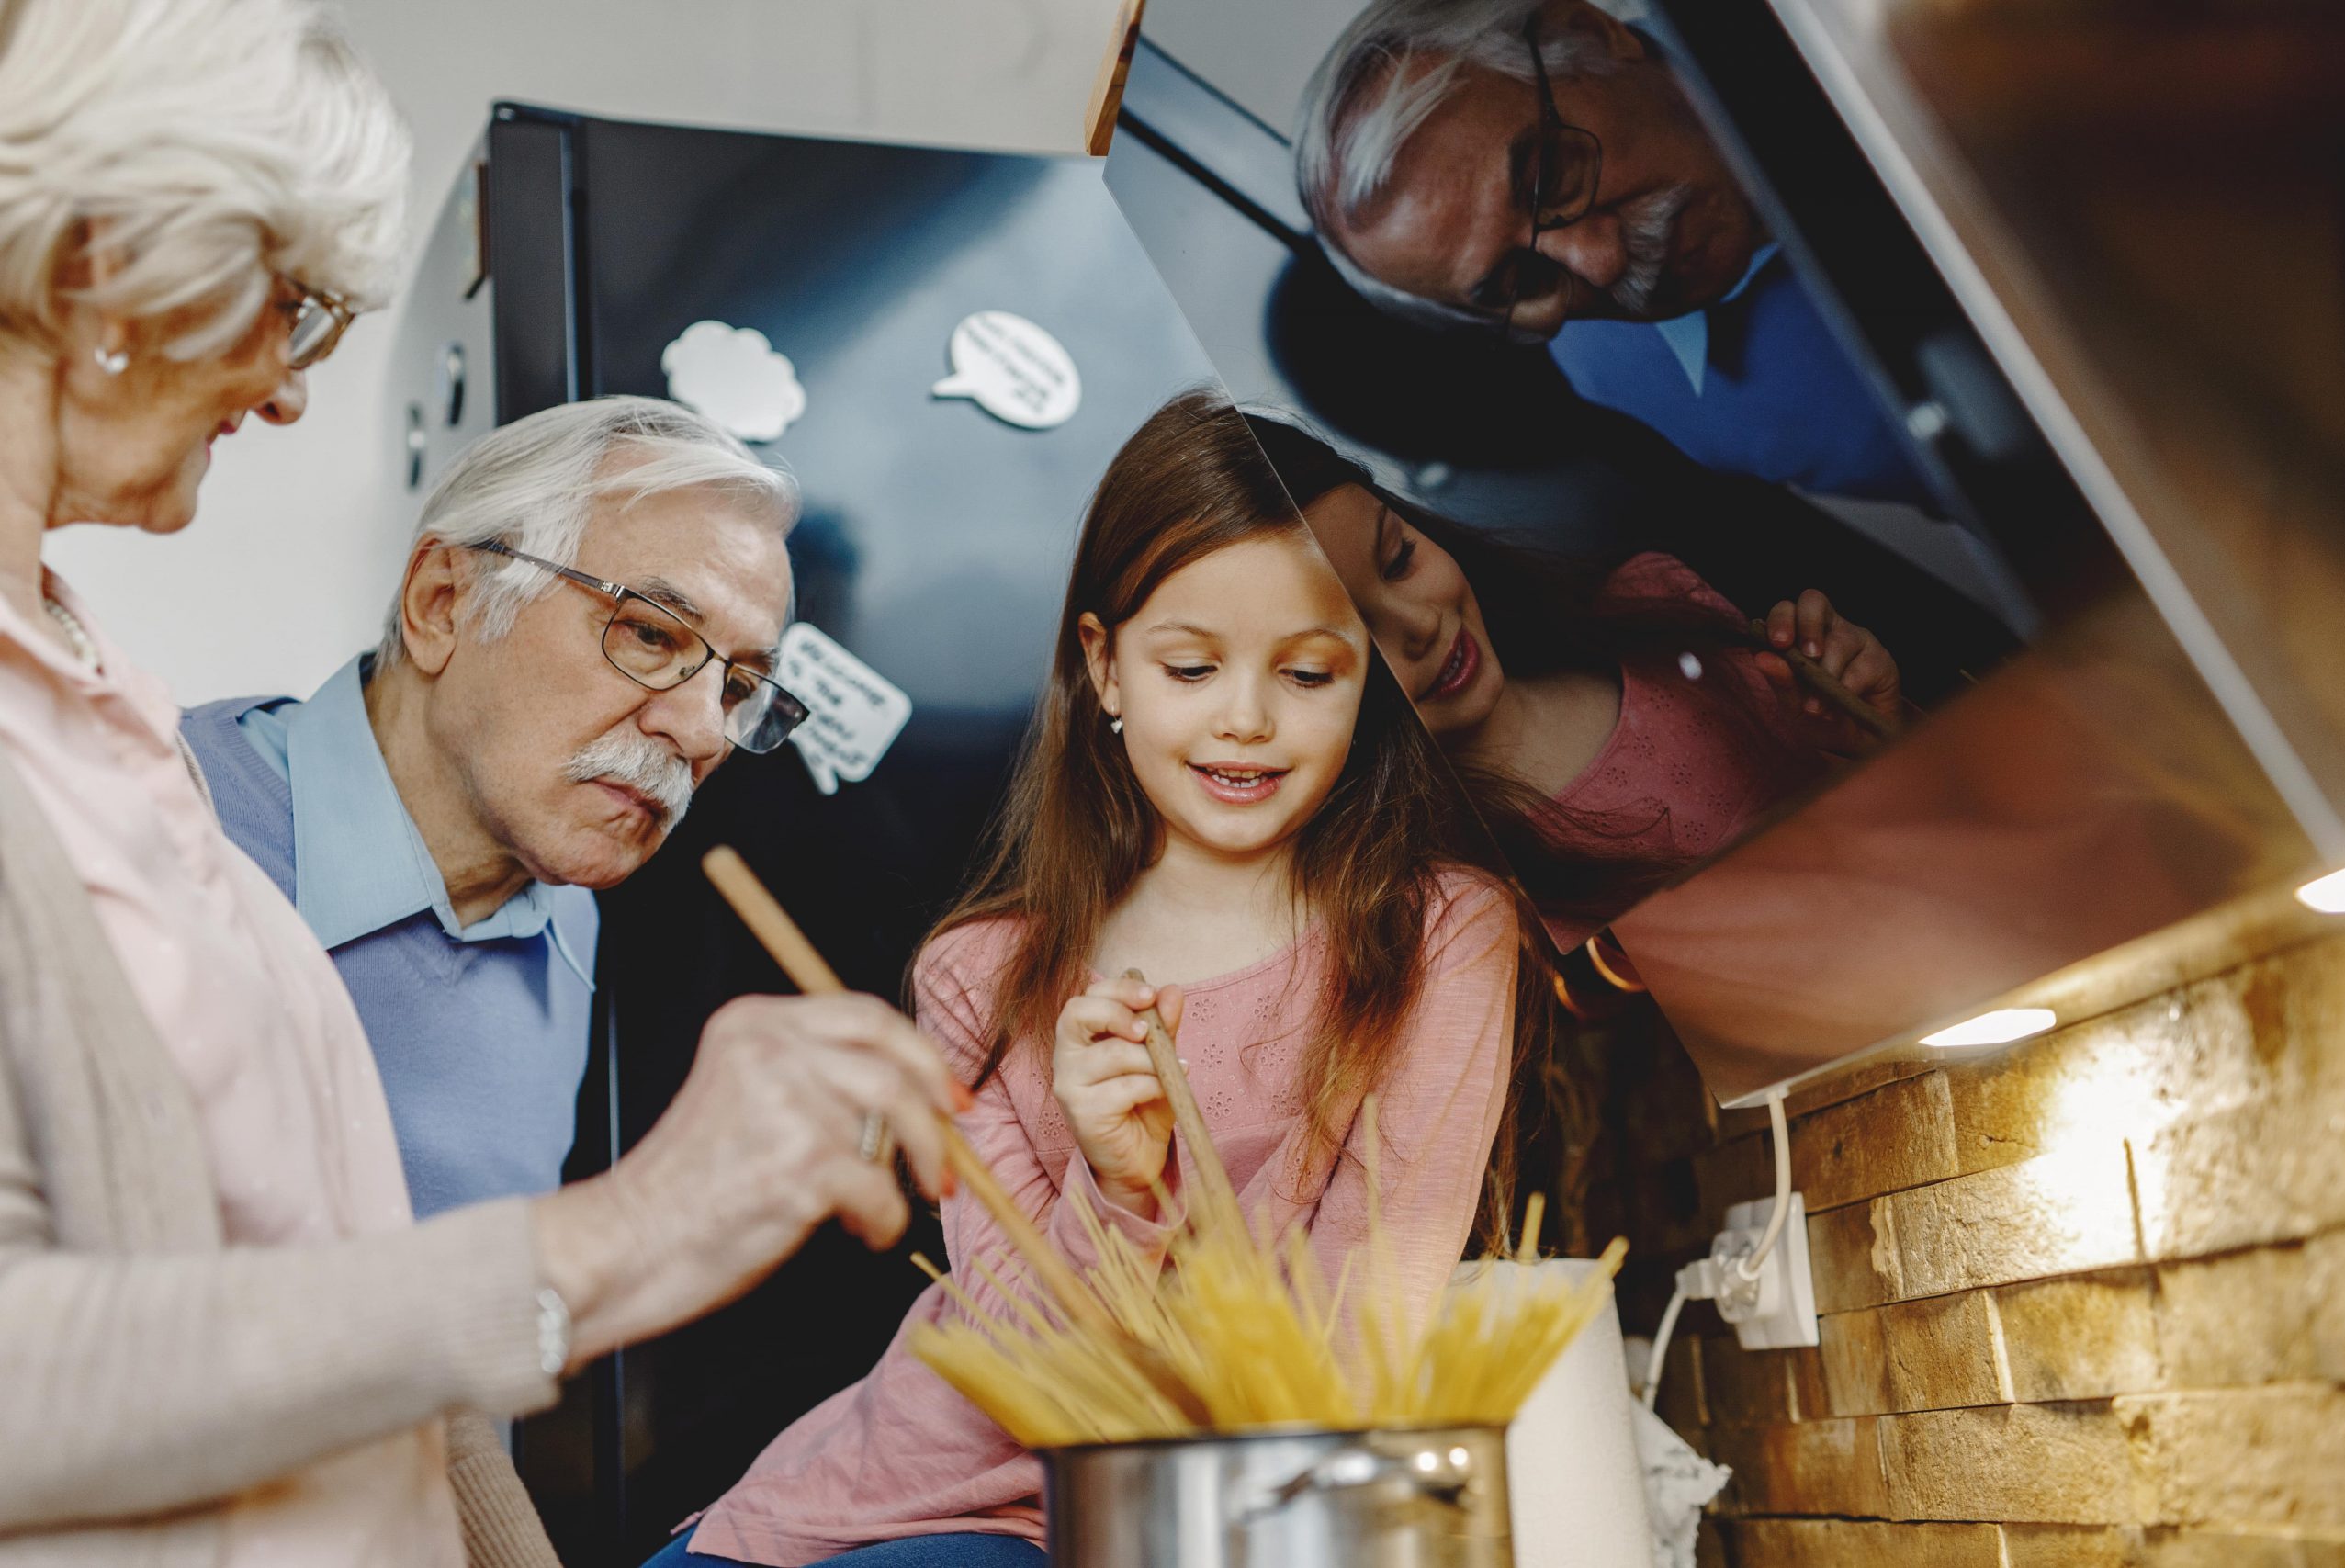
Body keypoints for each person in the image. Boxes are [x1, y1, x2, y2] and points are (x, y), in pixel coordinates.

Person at [0, 2, 964, 1562]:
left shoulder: (94, 688)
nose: (296, 387)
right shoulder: (154, 769)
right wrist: (618, 1238)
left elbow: (396, 1353)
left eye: (744, 688)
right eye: (291, 303)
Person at [659, 390, 1542, 1566]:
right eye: (1189, 666)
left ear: (1367, 681)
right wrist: (1120, 1193)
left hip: (1167, 1523)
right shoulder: (981, 972)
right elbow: (1018, 1362)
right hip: (888, 1495)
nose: (1246, 722)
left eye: (1309, 674)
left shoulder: (1443, 936)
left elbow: (1359, 1350)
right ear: (1106, 669)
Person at [182, 396, 798, 1219]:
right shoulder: (143, 812)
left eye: (741, 686)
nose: (698, 731)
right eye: (651, 634)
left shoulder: (569, 923)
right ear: (444, 602)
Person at [1245, 413, 1903, 953]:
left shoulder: (1656, 603)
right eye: (1344, 646)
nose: (1419, 625)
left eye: (1399, 558)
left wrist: (1874, 738)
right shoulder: (1464, 914)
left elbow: (1917, 829)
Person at [1295, 0, 1932, 506]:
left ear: (1590, 34)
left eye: (1549, 179)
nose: (1600, 262)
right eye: (1519, 279)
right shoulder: (1615, 376)